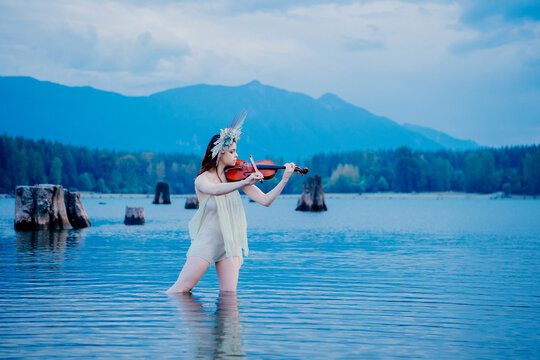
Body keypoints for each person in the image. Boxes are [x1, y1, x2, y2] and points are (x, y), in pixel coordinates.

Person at [166, 113, 296, 293]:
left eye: (236, 151)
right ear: (220, 153)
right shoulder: (203, 180)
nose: (237, 155)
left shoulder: (236, 176)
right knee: (181, 289)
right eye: (232, 151)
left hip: (229, 244)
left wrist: (284, 179)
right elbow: (214, 190)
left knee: (229, 296)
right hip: (207, 242)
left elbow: (265, 200)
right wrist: (243, 182)